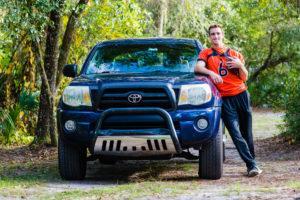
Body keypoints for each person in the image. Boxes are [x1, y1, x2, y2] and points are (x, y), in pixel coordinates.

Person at [194, 24, 262, 177]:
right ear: (209, 37)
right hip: (224, 99)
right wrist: (211, 73)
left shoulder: (235, 54)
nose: (215, 37)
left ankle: (251, 163)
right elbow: (198, 68)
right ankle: (252, 165)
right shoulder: (206, 53)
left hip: (241, 95)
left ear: (222, 35)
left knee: (247, 133)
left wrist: (240, 65)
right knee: (235, 133)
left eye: (218, 34)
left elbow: (244, 77)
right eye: (212, 34)